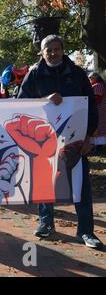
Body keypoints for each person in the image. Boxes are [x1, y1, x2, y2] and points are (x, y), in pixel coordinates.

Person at [18, 34, 103, 249]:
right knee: (45, 183)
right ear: (42, 52)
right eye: (49, 49)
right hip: (44, 142)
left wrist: (90, 136)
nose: (53, 52)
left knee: (81, 186)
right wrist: (44, 101)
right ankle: (46, 223)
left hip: (76, 141)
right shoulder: (34, 75)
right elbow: (20, 104)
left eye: (57, 48)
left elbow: (91, 106)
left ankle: (86, 231)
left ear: (63, 50)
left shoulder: (77, 74)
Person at [88, 72, 106, 152]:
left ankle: (99, 146)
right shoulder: (98, 85)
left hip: (99, 109)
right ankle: (97, 146)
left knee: (98, 126)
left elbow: (97, 99)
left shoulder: (98, 85)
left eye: (91, 78)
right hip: (98, 109)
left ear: (95, 78)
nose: (89, 79)